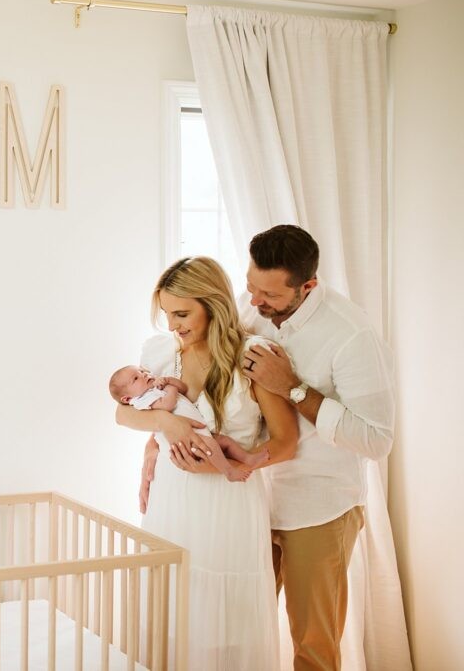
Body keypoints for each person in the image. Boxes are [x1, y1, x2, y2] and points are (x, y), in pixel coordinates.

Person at [143, 225, 396, 671]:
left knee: (312, 645)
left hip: (315, 504)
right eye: (250, 287)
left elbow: (376, 438)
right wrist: (156, 445)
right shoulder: (250, 309)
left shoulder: (351, 334)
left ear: (307, 286)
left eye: (269, 295)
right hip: (248, 504)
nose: (255, 302)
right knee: (237, 631)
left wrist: (294, 389)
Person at [116, 256, 299, 670]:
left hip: (227, 502)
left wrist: (220, 466)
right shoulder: (160, 353)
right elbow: (127, 412)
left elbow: (286, 443)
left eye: (182, 314)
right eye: (166, 313)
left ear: (213, 305)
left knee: (223, 623)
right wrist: (156, 437)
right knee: (173, 611)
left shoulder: (252, 357)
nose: (172, 325)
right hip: (171, 499)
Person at [108, 365, 269, 481]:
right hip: (187, 438)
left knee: (224, 442)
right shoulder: (143, 400)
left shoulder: (155, 387)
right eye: (136, 378)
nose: (143, 375)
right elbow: (168, 405)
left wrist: (170, 381)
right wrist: (170, 389)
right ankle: (228, 472)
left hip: (196, 429)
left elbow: (183, 388)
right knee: (211, 446)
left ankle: (248, 459)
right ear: (127, 399)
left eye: (142, 371)